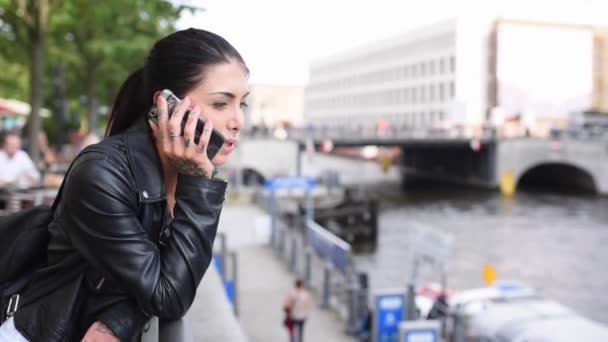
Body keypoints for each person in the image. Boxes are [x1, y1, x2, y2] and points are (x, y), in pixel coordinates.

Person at [0, 28, 248, 341]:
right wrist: (200, 184)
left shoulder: (182, 166)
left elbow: (160, 273)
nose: (238, 120)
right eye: (222, 104)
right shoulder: (101, 173)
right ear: (167, 104)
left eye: (243, 104)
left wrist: (118, 319)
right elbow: (168, 296)